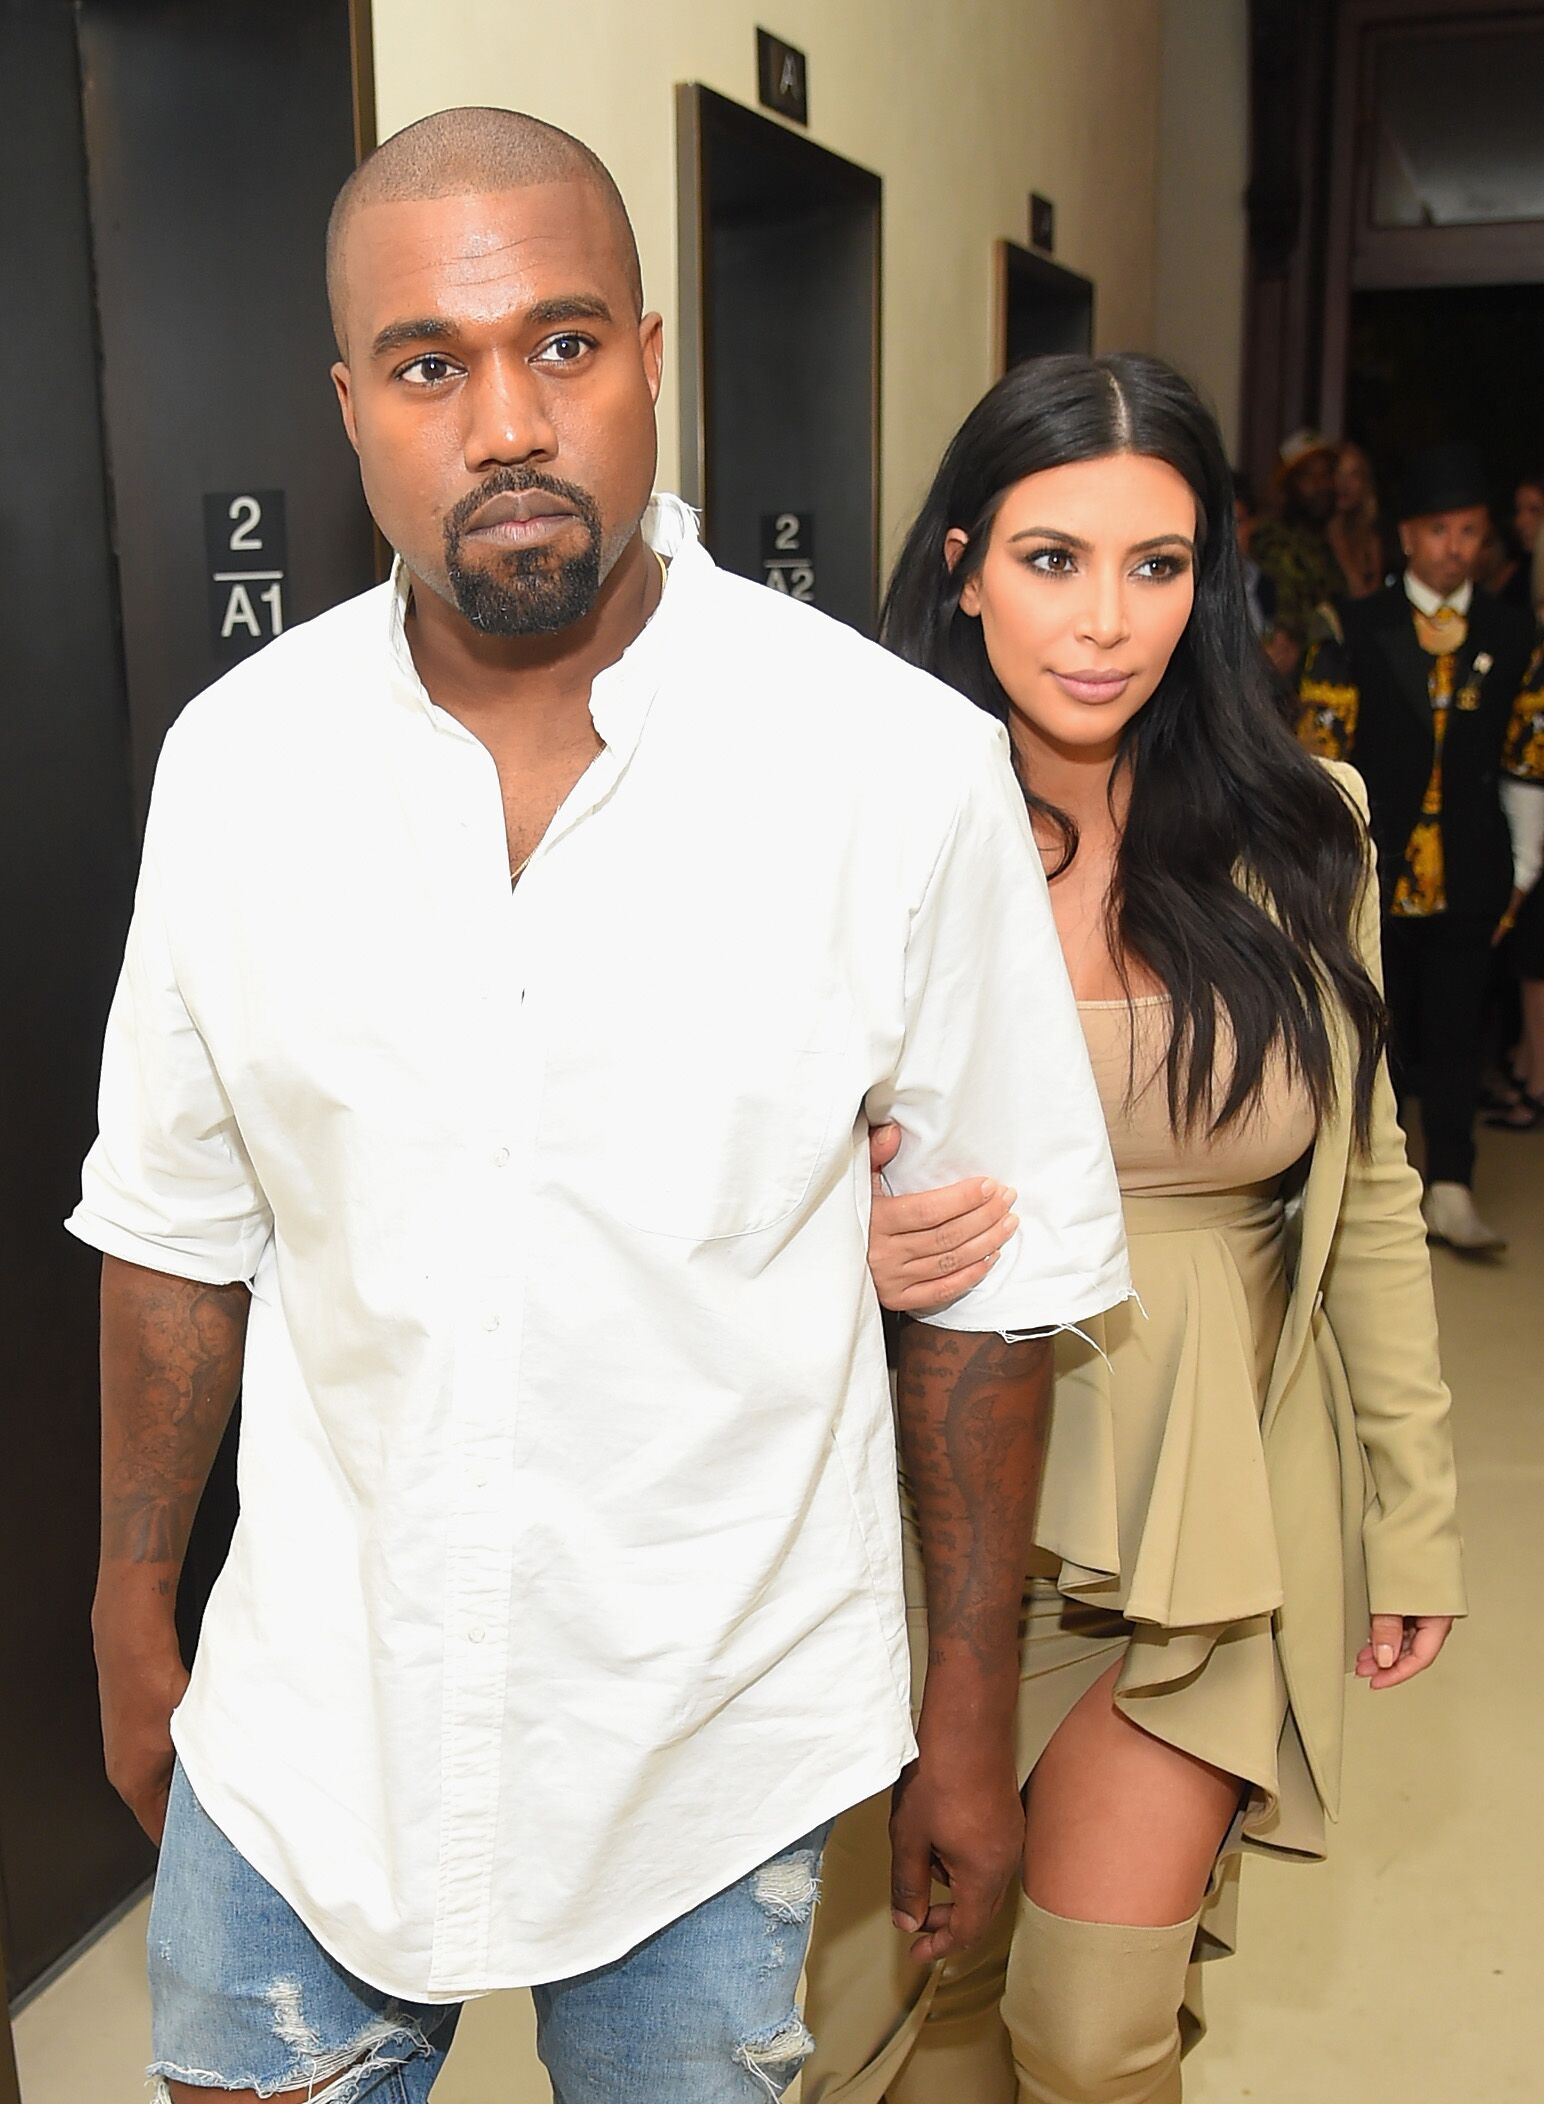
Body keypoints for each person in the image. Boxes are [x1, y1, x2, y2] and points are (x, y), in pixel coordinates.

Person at [70, 109, 1131, 2104]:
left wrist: (967, 1714)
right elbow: (176, 1219)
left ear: (653, 354)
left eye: (563, 344)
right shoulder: (238, 764)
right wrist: (135, 1591)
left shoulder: (888, 769)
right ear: (351, 409)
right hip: (311, 1711)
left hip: (708, 1740)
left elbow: (994, 1300)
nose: (508, 419)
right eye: (429, 364)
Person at [801, 353, 1464, 2104]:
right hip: (905, 1512)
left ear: (1210, 578)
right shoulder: (850, 835)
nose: (1105, 620)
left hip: (1203, 1519)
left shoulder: (1297, 826)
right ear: (959, 562)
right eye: (1049, 558)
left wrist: (1410, 1511)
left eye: (1155, 564)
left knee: (1086, 2034)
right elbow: (680, 1175)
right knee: (909, 2025)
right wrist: (827, 1247)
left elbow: (1369, 1186)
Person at [1298, 443, 1544, 1251]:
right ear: (1407, 537)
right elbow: (1319, 754)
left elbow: (1525, 756)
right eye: (1439, 530)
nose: (1454, 547)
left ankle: (1452, 1187)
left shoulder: (1516, 634)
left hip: (1472, 869)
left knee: (1458, 1027)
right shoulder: (1352, 626)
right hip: (1371, 867)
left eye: (1470, 532)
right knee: (1372, 1031)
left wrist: (1526, 867)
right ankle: (1372, 1194)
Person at [1250, 427, 1343, 653]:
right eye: (1309, 476)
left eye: (1326, 474)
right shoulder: (1273, 541)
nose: (1321, 486)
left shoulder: (1328, 539)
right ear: (1286, 485)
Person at [1326, 440, 1390, 599]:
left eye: (1354, 475)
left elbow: (1372, 596)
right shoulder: (1315, 536)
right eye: (1338, 473)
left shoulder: (1371, 540)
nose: (1344, 484)